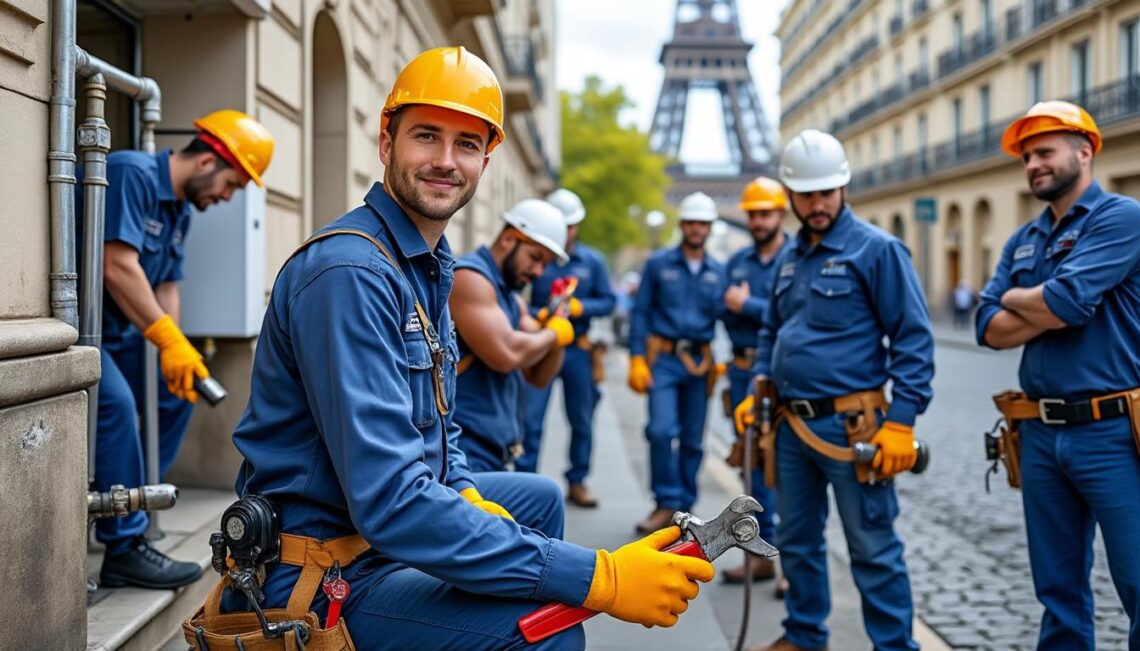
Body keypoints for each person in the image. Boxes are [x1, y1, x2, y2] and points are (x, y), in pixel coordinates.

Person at [219, 47, 714, 650]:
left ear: (486, 159)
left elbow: (441, 432)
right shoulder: (351, 272)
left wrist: (469, 493)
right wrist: (598, 577)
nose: (445, 161)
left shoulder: (426, 266)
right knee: (548, 630)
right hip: (324, 574)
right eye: (426, 136)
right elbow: (394, 503)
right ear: (386, 141)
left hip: (369, 545)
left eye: (467, 144)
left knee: (537, 498)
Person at [734, 129, 934, 651]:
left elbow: (914, 340)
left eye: (826, 192)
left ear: (844, 188)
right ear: (790, 196)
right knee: (797, 543)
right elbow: (771, 330)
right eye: (806, 194)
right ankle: (803, 635)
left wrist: (902, 422)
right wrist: (757, 385)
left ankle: (894, 646)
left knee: (872, 548)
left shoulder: (878, 249)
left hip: (855, 428)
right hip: (790, 427)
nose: (816, 204)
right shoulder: (791, 256)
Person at [79, 109, 274, 590]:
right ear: (210, 160)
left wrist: (179, 351)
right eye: (232, 183)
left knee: (176, 393)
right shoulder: (130, 174)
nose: (228, 196)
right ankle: (123, 548)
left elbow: (167, 285)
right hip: (79, 330)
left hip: (123, 332)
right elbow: (116, 265)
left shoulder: (178, 208)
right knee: (118, 406)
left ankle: (133, 505)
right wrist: (165, 339)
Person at [977, 100, 1140, 650]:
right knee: (1057, 591)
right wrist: (1040, 304)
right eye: (1026, 157)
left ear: (1084, 151)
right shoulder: (1023, 238)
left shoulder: (1120, 217)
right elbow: (986, 326)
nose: (1033, 165)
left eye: (1044, 152)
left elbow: (1068, 304)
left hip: (1113, 431)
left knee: (1139, 583)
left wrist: (1013, 297)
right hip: (1039, 434)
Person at [450, 198, 576, 472]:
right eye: (535, 258)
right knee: (546, 500)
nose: (538, 271)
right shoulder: (470, 278)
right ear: (509, 238)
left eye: (545, 264)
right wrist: (553, 335)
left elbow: (539, 375)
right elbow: (508, 354)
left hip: (495, 452)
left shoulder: (510, 297)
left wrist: (556, 326)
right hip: (463, 453)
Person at [627, 191, 727, 534]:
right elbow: (640, 311)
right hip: (665, 359)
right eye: (692, 222)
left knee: (693, 439)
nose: (697, 228)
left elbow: (729, 317)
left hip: (700, 362)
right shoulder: (658, 264)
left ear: (710, 227)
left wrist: (730, 361)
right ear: (682, 225)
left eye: (703, 223)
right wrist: (637, 357)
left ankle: (686, 506)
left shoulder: (719, 271)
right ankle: (666, 502)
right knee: (659, 431)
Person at [516, 188, 617, 507]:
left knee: (582, 419)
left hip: (578, 350)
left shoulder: (593, 261)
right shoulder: (537, 256)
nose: (567, 232)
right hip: (541, 345)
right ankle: (524, 483)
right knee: (530, 420)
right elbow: (516, 301)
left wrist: (580, 309)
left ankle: (577, 481)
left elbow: (609, 301)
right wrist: (540, 315)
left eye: (571, 226)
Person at [720, 176, 792, 589]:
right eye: (753, 214)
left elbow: (792, 319)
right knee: (752, 470)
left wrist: (747, 304)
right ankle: (761, 557)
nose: (758, 220)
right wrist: (745, 310)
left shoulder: (794, 259)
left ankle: (792, 569)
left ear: (781, 213)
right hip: (742, 371)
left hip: (782, 376)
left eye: (765, 213)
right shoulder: (738, 261)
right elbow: (723, 312)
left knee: (786, 469)